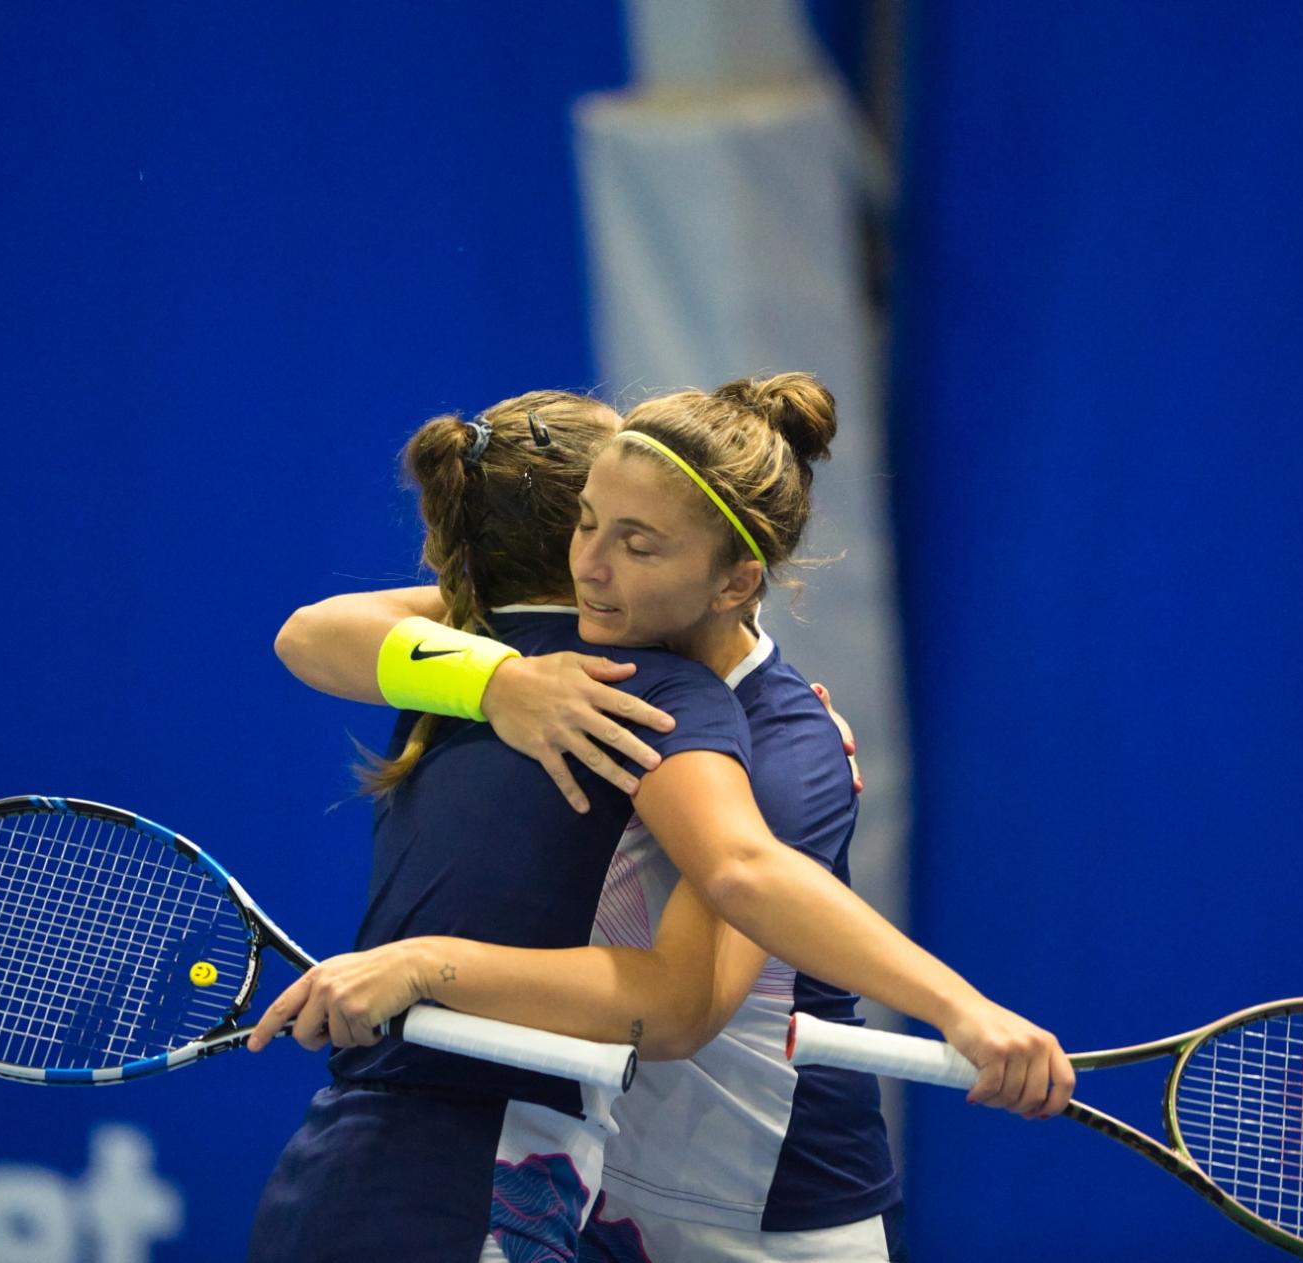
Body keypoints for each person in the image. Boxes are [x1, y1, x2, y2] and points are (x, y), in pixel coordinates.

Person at [261, 375, 1074, 1262]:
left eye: (637, 543)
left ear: (734, 583)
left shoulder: (779, 746)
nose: (590, 567)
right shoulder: (580, 645)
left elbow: (695, 981)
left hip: (753, 1204)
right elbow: (312, 632)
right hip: (592, 1172)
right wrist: (495, 682)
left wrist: (962, 1007)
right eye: (585, 523)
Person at [246, 391, 758, 1263]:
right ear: (579, 536)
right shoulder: (661, 701)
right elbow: (680, 1002)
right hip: (466, 1176)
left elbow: (312, 631)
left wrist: (492, 676)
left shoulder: (442, 654)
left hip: (346, 1167)